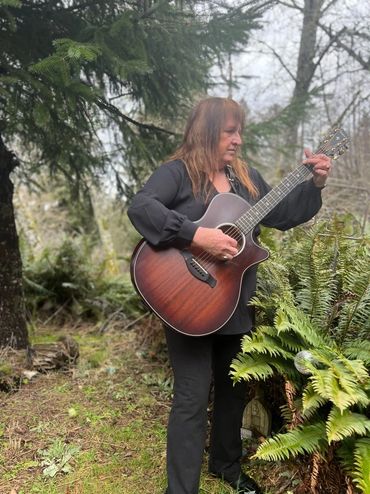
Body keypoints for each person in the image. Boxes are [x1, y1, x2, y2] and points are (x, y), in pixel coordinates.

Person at [127, 97, 331, 494]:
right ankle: (181, 488)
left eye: (240, 132)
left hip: (234, 299)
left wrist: (316, 183)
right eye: (229, 131)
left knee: (233, 387)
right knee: (192, 394)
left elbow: (285, 214)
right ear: (206, 132)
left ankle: (226, 466)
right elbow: (141, 208)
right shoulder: (178, 174)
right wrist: (195, 234)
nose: (238, 140)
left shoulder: (246, 178)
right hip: (185, 299)